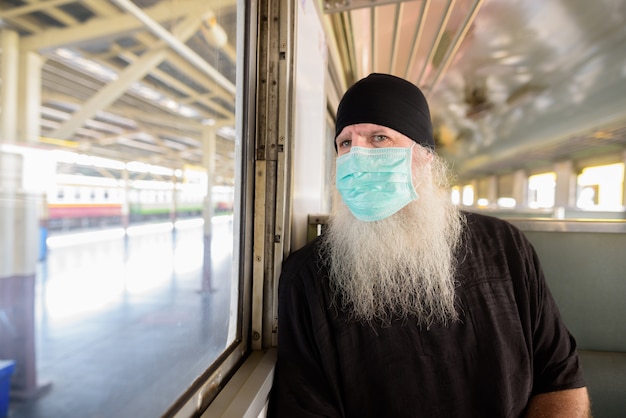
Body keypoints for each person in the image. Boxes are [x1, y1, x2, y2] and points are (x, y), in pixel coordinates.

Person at [267, 73, 590, 417]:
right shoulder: (308, 276)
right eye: (345, 143)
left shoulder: (505, 247)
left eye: (379, 138)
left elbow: (559, 379)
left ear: (425, 158)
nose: (357, 158)